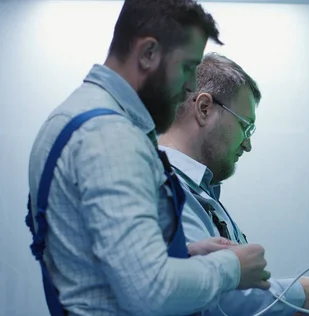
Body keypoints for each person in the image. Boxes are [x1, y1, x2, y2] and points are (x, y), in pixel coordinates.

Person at [27, 1, 271, 315]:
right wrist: (232, 267)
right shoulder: (111, 136)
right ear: (148, 53)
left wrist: (183, 253)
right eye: (186, 67)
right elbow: (151, 291)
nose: (190, 87)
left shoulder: (70, 117)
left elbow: (98, 263)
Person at [158, 52, 309, 315]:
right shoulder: (162, 188)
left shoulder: (201, 193)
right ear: (204, 108)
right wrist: (299, 295)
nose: (248, 145)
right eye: (245, 126)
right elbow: (203, 292)